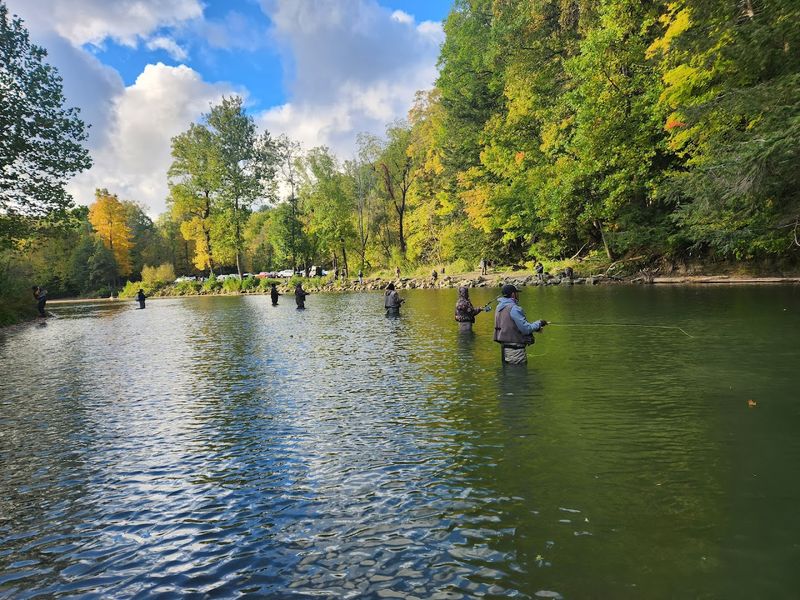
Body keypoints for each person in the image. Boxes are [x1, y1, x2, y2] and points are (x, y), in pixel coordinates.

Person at [494, 284, 547, 365]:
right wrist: (539, 323)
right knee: (518, 374)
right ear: (513, 294)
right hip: (515, 352)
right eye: (517, 293)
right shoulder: (514, 308)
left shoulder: (499, 307)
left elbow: (510, 326)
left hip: (504, 350)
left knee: (509, 374)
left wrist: (536, 328)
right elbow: (526, 329)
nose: (518, 295)